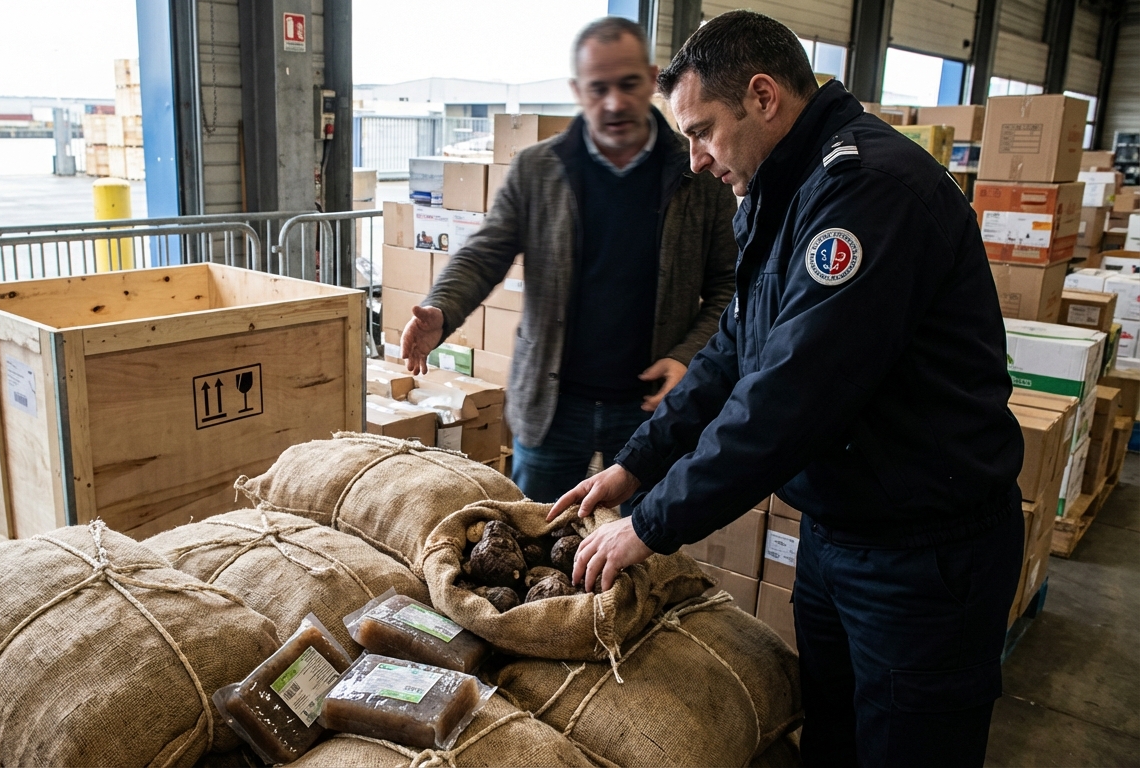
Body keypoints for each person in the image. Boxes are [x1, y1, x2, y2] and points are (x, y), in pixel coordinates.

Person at [549, 11, 1025, 766]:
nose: (698, 160)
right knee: (829, 741)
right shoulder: (783, 190)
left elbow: (790, 396)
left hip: (923, 560)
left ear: (763, 98)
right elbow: (733, 353)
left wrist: (648, 526)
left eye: (703, 131)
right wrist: (633, 467)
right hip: (839, 539)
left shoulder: (866, 191)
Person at [399, 16, 737, 505]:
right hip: (553, 404)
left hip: (650, 406)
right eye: (599, 88)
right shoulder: (540, 168)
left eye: (628, 84)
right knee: (537, 537)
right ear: (578, 90)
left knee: (643, 549)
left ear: (651, 78)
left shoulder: (696, 171)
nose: (615, 102)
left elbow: (730, 284)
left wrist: (688, 357)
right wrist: (442, 310)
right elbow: (485, 252)